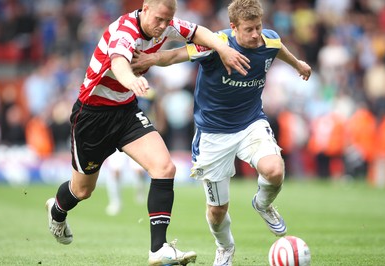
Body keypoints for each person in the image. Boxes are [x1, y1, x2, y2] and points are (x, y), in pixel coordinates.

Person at [44, 0, 250, 265]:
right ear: (145, 8)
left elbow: (199, 32)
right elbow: (118, 62)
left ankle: (158, 249)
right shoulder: (124, 31)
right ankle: (57, 211)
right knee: (82, 191)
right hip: (92, 116)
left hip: (126, 110)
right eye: (159, 20)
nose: (163, 27)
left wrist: (223, 48)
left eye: (168, 20)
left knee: (164, 168)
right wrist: (131, 80)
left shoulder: (165, 24)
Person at [131, 0, 312, 265]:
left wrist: (297, 64)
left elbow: (278, 47)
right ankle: (225, 247)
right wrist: (151, 59)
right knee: (217, 211)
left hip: (251, 123)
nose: (255, 35)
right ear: (233, 27)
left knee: (274, 169)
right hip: (213, 134)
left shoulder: (268, 40)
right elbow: (176, 55)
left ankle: (262, 204)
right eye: (248, 29)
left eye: (258, 28)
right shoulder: (215, 44)